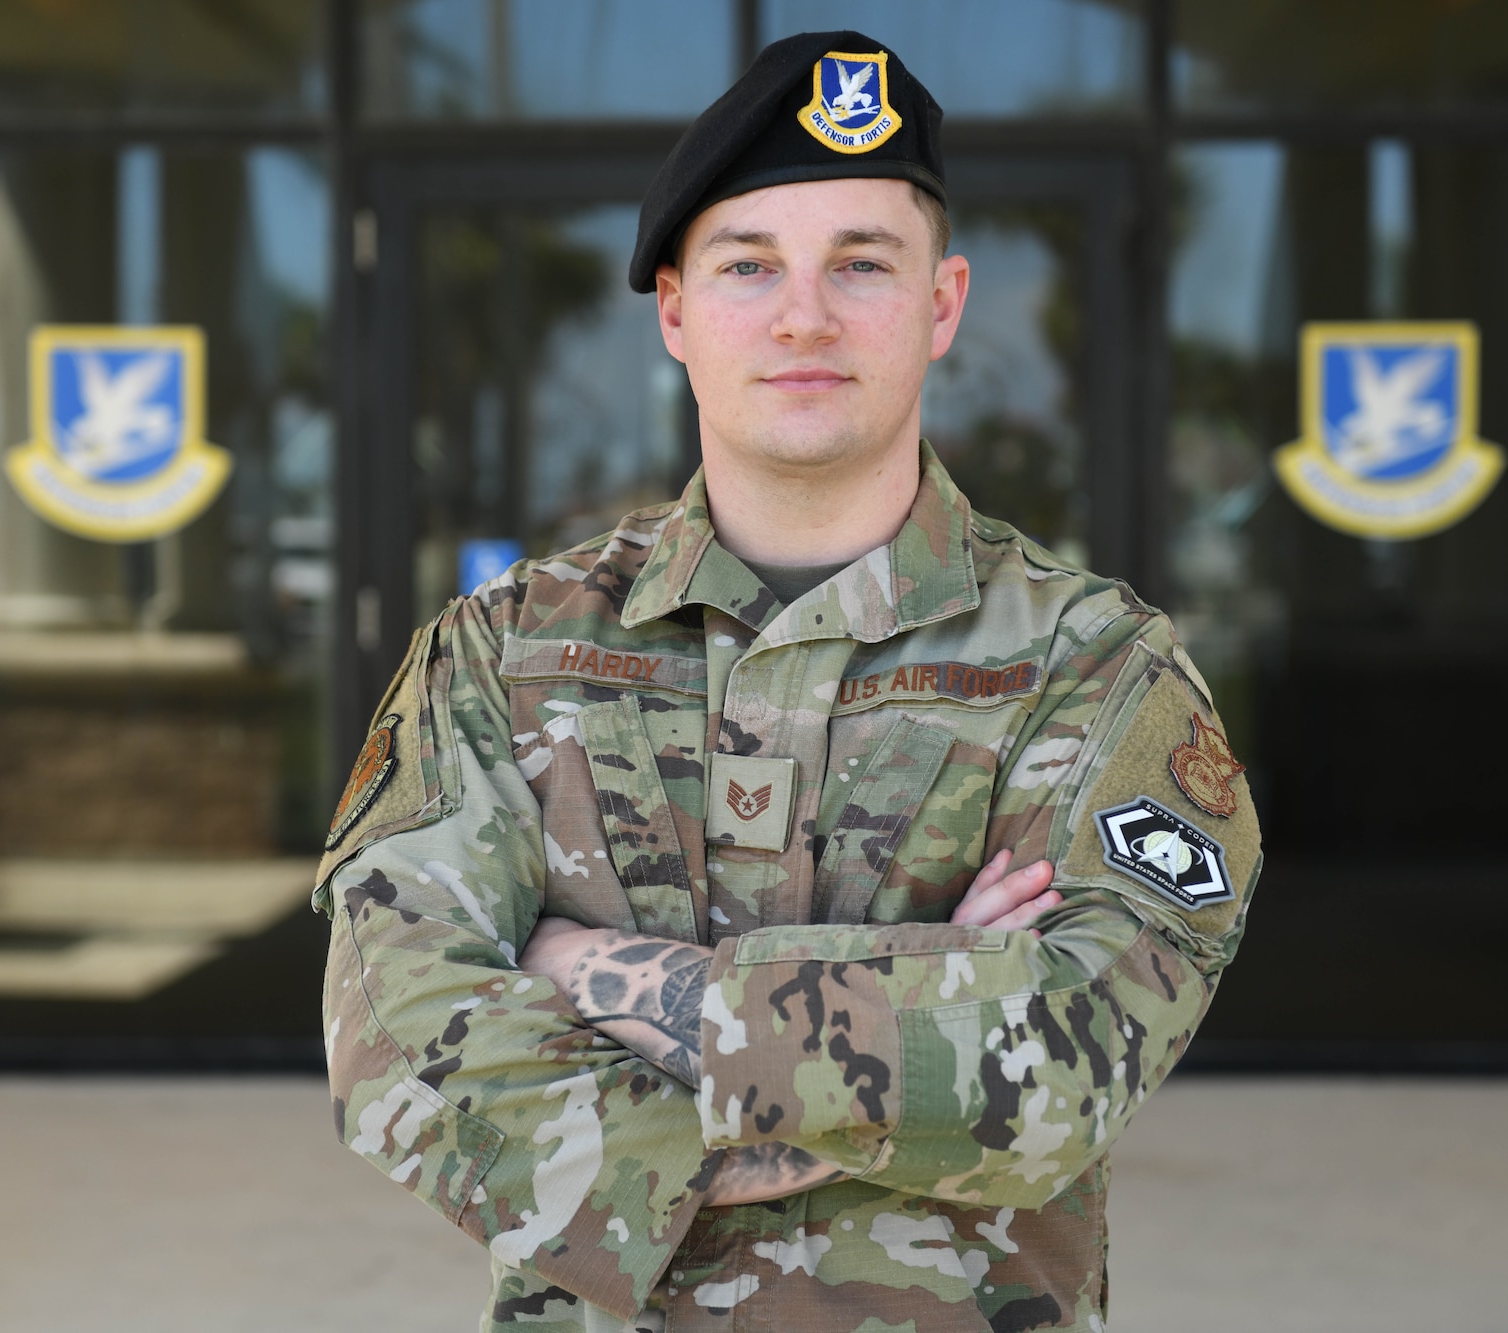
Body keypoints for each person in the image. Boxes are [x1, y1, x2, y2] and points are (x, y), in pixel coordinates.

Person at [313, 30, 1260, 1333]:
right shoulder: (506, 650)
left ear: (942, 304)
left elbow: (1071, 1066)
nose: (803, 314)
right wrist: (934, 983)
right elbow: (393, 1039)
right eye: (749, 264)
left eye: (860, 263)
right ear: (676, 312)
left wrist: (588, 970)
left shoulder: (1094, 666)